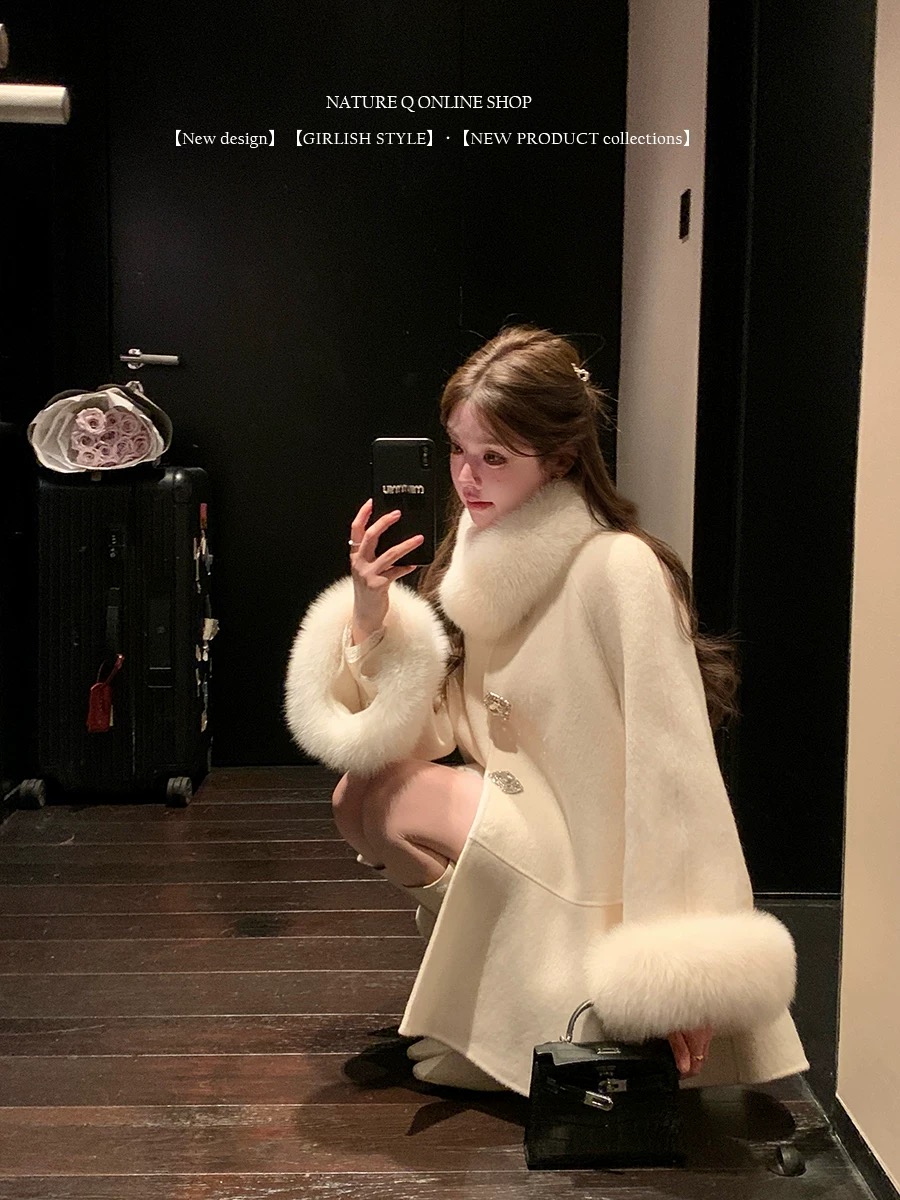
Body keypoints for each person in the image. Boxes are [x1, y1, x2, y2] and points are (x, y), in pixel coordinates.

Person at [283, 324, 809, 1097]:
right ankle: (497, 1010)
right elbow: (427, 733)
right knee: (357, 797)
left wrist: (683, 970)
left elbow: (675, 771)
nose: (467, 476)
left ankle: (555, 1016)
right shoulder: (479, 560)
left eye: (494, 457)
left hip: (592, 865)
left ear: (559, 459)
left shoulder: (617, 567)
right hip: (531, 830)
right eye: (458, 449)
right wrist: (371, 616)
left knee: (397, 799)